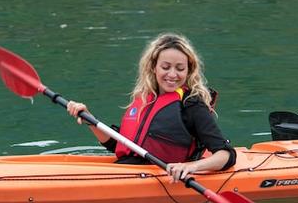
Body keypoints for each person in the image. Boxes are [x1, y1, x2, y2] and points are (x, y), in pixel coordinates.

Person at [66, 33, 236, 184]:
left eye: (180, 68)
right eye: (165, 67)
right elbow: (117, 145)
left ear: (188, 71)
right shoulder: (145, 99)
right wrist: (89, 119)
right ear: (154, 67)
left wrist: (191, 167)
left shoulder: (191, 104)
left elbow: (227, 155)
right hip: (126, 170)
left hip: (160, 178)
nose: (172, 74)